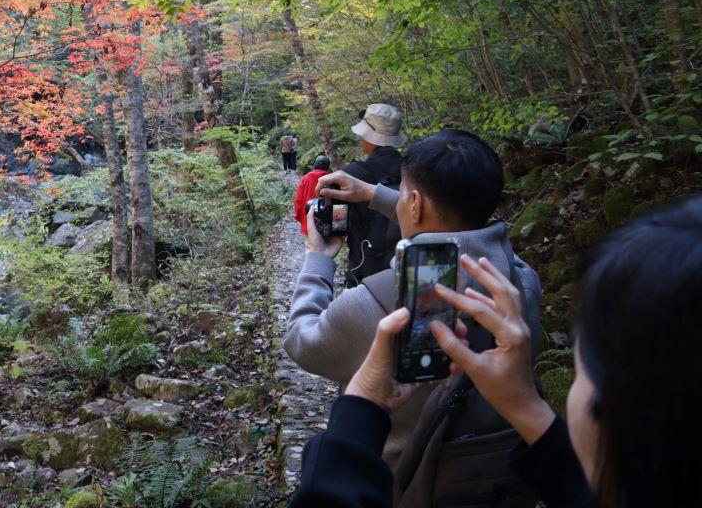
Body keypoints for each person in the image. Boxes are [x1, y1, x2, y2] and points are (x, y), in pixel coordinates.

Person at [288, 196, 702, 508]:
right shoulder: (523, 278)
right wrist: (523, 405)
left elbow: (301, 341)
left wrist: (359, 407)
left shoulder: (366, 302)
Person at [284, 128, 541, 465]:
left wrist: (317, 257)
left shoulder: (381, 304)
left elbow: (303, 341)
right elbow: (450, 225)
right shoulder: (520, 280)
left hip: (404, 481)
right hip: (496, 474)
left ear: (415, 204)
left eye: (402, 193)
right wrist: (375, 194)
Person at [342, 104, 405, 286]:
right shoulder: (416, 171)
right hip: (406, 269)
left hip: (364, 273)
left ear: (370, 138)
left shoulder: (351, 175)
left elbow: (337, 225)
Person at [294, 154, 332, 233]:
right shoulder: (333, 178)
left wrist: (300, 218)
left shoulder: (305, 178)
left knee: (311, 244)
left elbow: (298, 200)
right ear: (328, 167)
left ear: (315, 165)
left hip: (309, 220)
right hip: (328, 222)